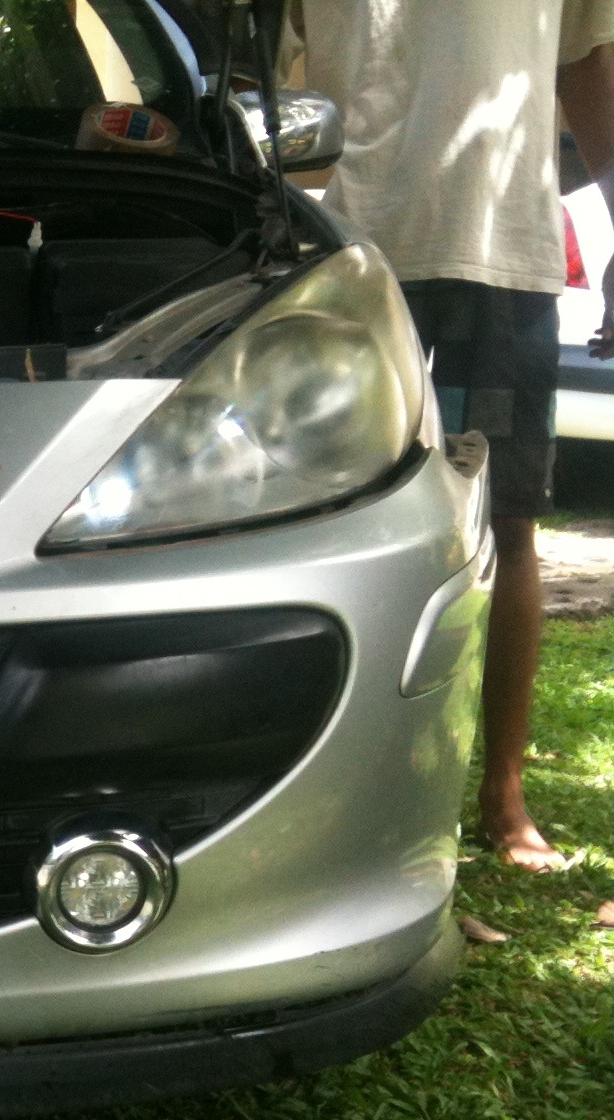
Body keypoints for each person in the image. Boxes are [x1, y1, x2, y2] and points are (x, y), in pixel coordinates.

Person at [293, 0, 614, 870]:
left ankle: (502, 792)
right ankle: (325, 792)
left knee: (508, 523)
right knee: (318, 527)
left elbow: (586, 65)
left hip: (500, 257)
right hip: (340, 254)